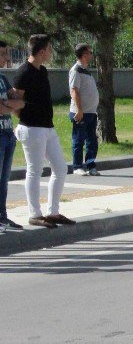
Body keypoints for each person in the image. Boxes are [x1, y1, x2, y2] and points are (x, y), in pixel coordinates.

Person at [13, 34, 73, 229]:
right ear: (40, 52)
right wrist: (26, 119)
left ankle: (53, 212)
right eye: (49, 48)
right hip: (31, 128)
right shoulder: (23, 72)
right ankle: (34, 214)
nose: (51, 52)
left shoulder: (43, 70)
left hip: (47, 127)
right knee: (34, 170)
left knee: (60, 168)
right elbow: (15, 103)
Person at [0, 40, 26, 232]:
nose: (7, 58)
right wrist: (9, 105)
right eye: (3, 53)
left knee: (4, 180)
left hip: (8, 134)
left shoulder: (2, 78)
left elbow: (21, 101)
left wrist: (7, 104)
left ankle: (2, 216)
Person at [69, 43, 100, 176]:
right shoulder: (76, 70)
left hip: (91, 112)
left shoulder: (86, 70)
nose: (92, 55)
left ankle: (90, 165)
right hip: (81, 112)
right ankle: (77, 166)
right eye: (90, 52)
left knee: (92, 141)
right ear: (84, 54)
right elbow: (74, 91)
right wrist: (79, 109)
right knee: (79, 139)